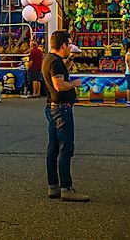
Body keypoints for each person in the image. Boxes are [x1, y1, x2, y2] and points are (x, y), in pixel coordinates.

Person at [42, 31, 89, 202]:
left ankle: (53, 186)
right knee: (66, 148)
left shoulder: (50, 60)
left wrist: (71, 59)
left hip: (52, 107)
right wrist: (74, 84)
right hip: (62, 109)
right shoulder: (55, 62)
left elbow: (60, 74)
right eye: (68, 44)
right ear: (62, 45)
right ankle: (66, 188)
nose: (70, 47)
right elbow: (59, 85)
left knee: (53, 147)